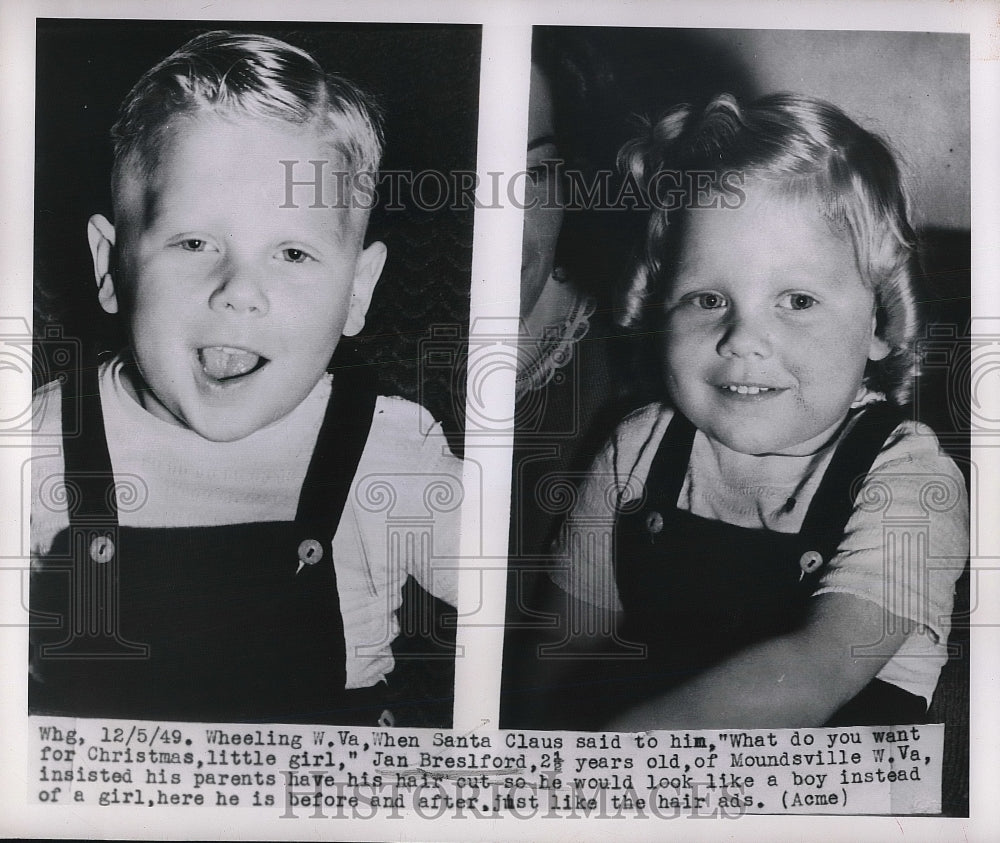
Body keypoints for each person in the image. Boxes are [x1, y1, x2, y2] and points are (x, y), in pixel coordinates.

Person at [28, 31, 461, 726]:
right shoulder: (36, 445)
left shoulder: (390, 451)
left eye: (292, 251)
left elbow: (534, 626)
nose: (239, 291)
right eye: (195, 242)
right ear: (111, 266)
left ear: (359, 288)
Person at [543, 93, 968, 729]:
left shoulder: (911, 481)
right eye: (707, 297)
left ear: (880, 320)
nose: (743, 338)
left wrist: (612, 758)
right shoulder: (634, 449)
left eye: (797, 300)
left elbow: (813, 671)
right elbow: (563, 645)